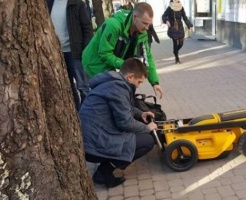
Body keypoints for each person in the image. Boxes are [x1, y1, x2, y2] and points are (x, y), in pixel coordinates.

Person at [79, 58, 157, 188]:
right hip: (94, 144)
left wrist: (141, 114)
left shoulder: (113, 82)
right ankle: (104, 173)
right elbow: (125, 122)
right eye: (139, 82)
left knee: (137, 133)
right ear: (130, 76)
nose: (138, 86)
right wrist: (147, 127)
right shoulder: (118, 88)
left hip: (92, 136)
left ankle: (106, 164)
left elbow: (125, 107)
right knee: (147, 141)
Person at [82, 2, 163, 99]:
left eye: (149, 24)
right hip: (94, 64)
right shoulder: (114, 25)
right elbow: (104, 54)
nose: (146, 28)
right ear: (135, 17)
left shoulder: (142, 32)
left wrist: (155, 82)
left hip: (110, 66)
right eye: (144, 23)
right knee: (101, 99)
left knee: (119, 96)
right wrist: (127, 66)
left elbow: (148, 57)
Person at [46, 0, 93, 111]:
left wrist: (84, 51)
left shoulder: (77, 3)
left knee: (84, 87)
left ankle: (88, 117)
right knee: (67, 88)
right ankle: (75, 115)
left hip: (75, 53)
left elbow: (87, 28)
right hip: (56, 54)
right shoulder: (48, 3)